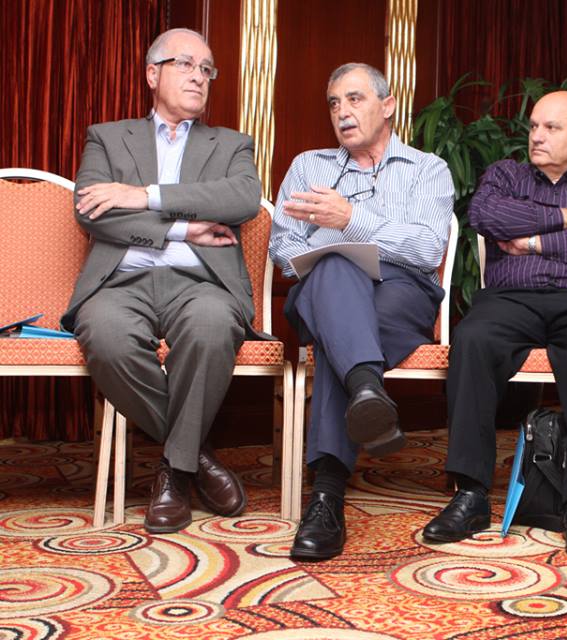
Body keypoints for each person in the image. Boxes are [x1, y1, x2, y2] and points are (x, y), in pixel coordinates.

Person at [62, 28, 262, 534]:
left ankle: (174, 474)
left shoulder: (231, 144)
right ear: (153, 74)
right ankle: (196, 458)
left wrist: (145, 195)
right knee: (104, 336)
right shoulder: (108, 137)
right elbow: (91, 210)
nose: (199, 76)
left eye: (207, 69)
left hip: (200, 283)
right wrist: (182, 228)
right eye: (186, 64)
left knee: (212, 325)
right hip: (121, 283)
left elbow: (241, 199)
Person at [421, 91, 567, 557]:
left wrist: (536, 241)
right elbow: (488, 215)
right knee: (473, 338)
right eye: (535, 126)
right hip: (511, 299)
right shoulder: (506, 175)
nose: (537, 135)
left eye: (551, 128)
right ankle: (470, 493)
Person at [269, 63, 454, 561]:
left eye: (354, 99)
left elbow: (426, 248)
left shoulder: (427, 169)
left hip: (401, 292)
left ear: (387, 106)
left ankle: (326, 497)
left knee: (341, 340)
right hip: (324, 288)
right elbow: (283, 246)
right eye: (334, 103)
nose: (342, 112)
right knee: (335, 271)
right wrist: (327, 253)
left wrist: (350, 219)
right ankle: (368, 391)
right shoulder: (308, 167)